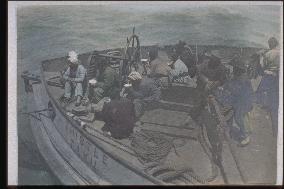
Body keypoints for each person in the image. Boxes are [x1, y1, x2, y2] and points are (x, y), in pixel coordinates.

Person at [214, 58, 253, 146]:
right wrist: (223, 87)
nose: (232, 69)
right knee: (227, 110)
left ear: (238, 69)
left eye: (234, 67)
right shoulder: (234, 77)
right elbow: (228, 84)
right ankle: (228, 131)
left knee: (238, 116)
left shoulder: (244, 79)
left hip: (244, 101)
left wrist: (227, 90)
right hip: (236, 100)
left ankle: (245, 135)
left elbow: (238, 92)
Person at [256, 37, 280, 135]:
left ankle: (265, 105)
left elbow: (262, 66)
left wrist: (261, 56)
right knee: (274, 94)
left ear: (270, 44)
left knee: (260, 92)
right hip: (277, 75)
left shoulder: (268, 54)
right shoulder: (279, 52)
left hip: (268, 75)